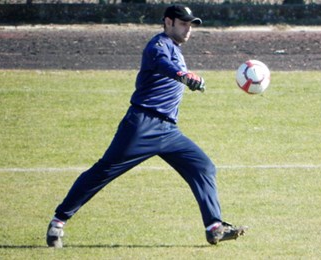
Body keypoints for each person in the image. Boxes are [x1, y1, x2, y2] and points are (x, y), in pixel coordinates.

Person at [46, 5, 247, 248]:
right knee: (103, 172)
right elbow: (164, 65)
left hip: (168, 131)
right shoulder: (159, 44)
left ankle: (214, 227)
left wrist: (187, 78)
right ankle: (58, 221)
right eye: (183, 23)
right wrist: (184, 76)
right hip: (141, 126)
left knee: (202, 166)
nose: (188, 29)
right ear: (168, 22)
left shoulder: (176, 48)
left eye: (191, 24)